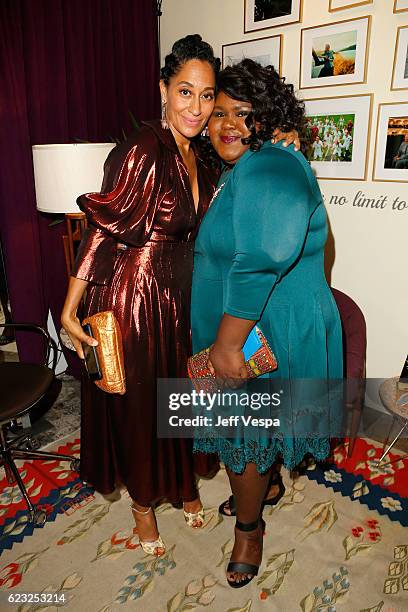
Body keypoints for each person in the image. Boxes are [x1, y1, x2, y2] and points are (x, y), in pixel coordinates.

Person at [61, 35, 299, 558]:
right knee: (143, 408)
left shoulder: (201, 155)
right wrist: (69, 304)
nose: (197, 107)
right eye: (185, 92)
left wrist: (282, 137)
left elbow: (245, 170)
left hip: (179, 301)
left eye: (207, 95)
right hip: (135, 299)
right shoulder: (144, 148)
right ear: (163, 90)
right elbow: (103, 226)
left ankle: (181, 486)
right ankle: (143, 505)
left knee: (181, 401)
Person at [190, 59, 343, 587]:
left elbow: (259, 259)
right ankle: (267, 487)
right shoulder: (255, 165)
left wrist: (229, 345)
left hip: (256, 331)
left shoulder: (270, 165)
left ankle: (250, 530)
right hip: (262, 323)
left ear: (268, 117)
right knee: (254, 430)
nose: (227, 124)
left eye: (243, 113)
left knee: (242, 434)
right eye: (219, 113)